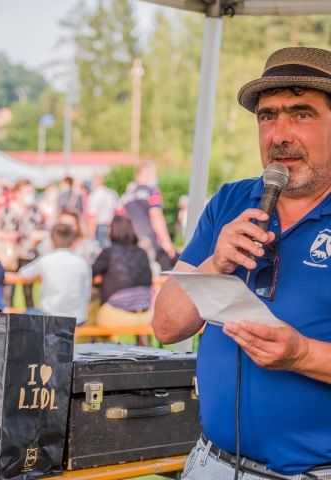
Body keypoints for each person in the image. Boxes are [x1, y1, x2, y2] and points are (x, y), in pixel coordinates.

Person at [153, 46, 331, 479]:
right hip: (210, 463)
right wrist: (214, 263)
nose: (279, 134)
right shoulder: (232, 200)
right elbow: (166, 327)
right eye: (267, 116)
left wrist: (302, 354)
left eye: (301, 114)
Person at [92, 216, 153, 340]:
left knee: (93, 307)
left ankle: (100, 350)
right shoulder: (142, 252)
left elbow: (92, 272)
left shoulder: (109, 253)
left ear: (112, 231)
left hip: (117, 316)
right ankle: (142, 343)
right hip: (147, 316)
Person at [19, 223, 92, 325]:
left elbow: (23, 273)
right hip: (78, 319)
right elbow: (86, 294)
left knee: (26, 314)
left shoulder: (46, 260)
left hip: (50, 317)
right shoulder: (82, 263)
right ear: (73, 242)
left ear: (51, 242)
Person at [0, 179, 44, 306]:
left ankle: (30, 323)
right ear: (16, 193)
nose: (30, 195)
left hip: (29, 255)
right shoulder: (5, 211)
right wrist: (7, 236)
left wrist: (38, 238)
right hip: (9, 257)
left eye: (31, 192)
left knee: (29, 295)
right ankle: (8, 322)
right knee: (8, 295)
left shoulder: (35, 211)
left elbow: (42, 230)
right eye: (27, 192)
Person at [120, 161, 178, 271]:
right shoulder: (152, 191)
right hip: (149, 242)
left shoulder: (128, 194)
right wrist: (166, 242)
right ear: (147, 173)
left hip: (131, 241)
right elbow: (156, 217)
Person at [87, 175, 119, 249]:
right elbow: (118, 210)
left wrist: (91, 235)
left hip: (100, 226)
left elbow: (93, 216)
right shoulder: (112, 193)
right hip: (111, 225)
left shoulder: (94, 195)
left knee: (101, 252)